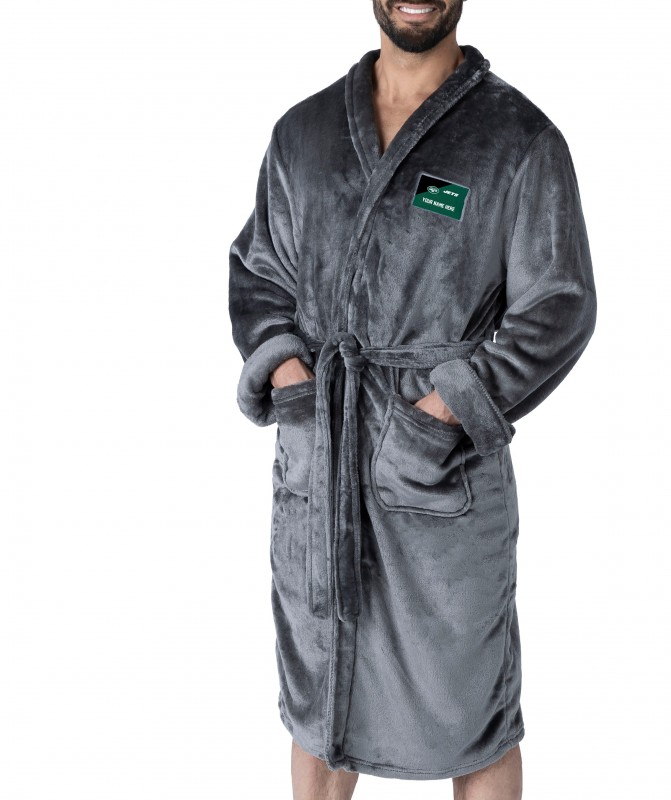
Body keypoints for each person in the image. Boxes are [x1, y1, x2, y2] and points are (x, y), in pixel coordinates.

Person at [228, 1, 597, 797]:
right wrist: (294, 385)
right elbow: (260, 276)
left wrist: (445, 410)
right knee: (321, 710)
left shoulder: (517, 139)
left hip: (439, 479)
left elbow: (559, 306)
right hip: (320, 471)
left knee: (475, 718)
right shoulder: (304, 132)